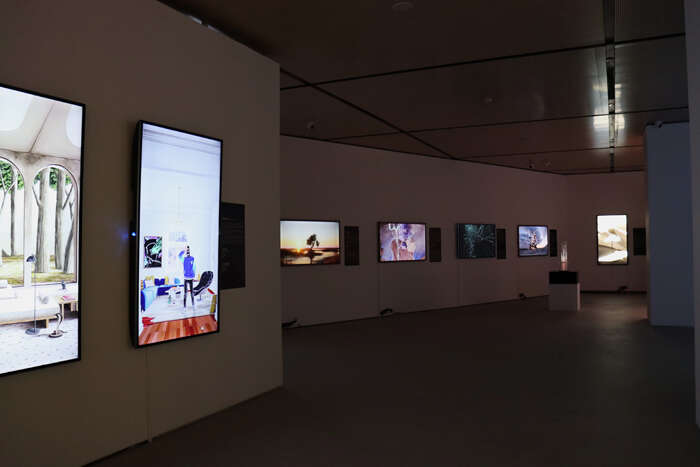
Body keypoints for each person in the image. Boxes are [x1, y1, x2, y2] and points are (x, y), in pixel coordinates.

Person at [183, 245, 196, 310]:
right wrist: (184, 250)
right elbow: (179, 255)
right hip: (185, 278)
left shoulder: (192, 258)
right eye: (187, 250)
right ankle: (184, 306)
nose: (188, 251)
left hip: (191, 278)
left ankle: (193, 304)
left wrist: (194, 275)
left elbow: (193, 267)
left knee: (191, 292)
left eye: (188, 250)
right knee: (185, 293)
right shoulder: (184, 258)